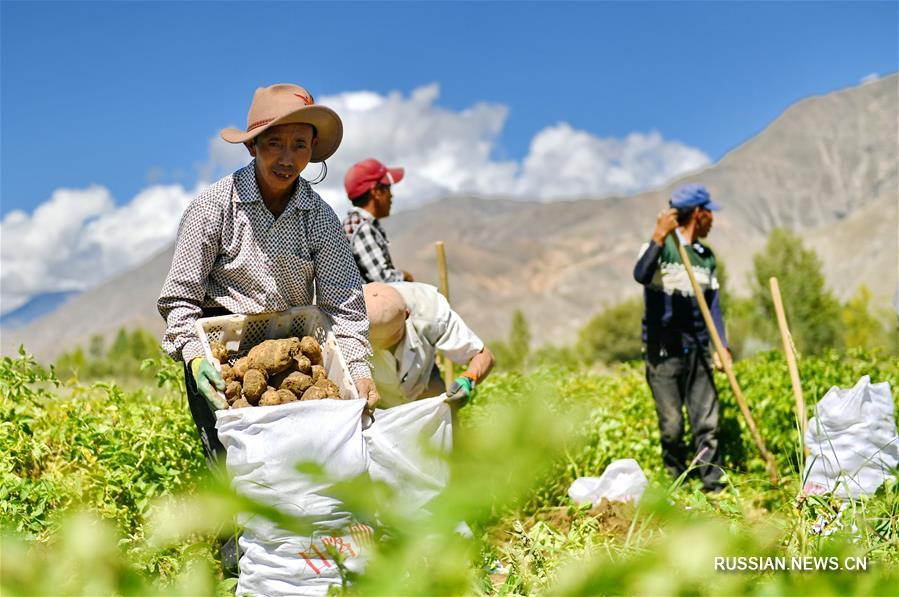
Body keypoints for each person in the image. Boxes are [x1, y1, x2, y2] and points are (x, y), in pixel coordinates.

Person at [158, 83, 380, 468]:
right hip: (222, 357)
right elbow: (180, 298)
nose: (287, 158)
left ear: (313, 150)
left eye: (300, 145)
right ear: (252, 146)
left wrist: (358, 370)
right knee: (234, 476)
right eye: (274, 143)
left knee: (300, 472)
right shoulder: (214, 208)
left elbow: (343, 307)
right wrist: (196, 360)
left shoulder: (320, 219)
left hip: (293, 355)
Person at [632, 183, 730, 493]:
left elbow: (713, 305)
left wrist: (721, 346)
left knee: (707, 423)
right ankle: (676, 486)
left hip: (698, 349)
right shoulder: (661, 248)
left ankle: (712, 486)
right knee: (672, 426)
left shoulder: (705, 256)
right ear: (698, 214)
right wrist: (659, 236)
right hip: (664, 352)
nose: (713, 220)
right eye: (710, 213)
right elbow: (641, 275)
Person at [362, 282, 494, 409]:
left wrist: (468, 379)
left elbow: (482, 355)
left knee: (447, 423)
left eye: (386, 340)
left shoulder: (430, 311)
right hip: (379, 403)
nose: (378, 345)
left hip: (424, 386)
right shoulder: (347, 322)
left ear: (407, 315)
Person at [342, 158, 414, 283]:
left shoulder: (354, 223)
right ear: (376, 192)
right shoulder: (362, 227)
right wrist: (404, 276)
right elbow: (383, 279)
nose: (391, 195)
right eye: (388, 189)